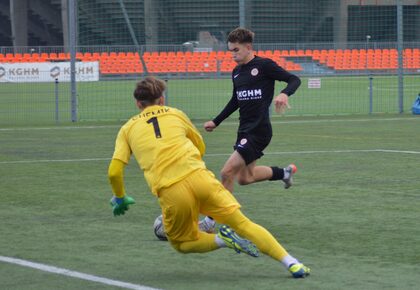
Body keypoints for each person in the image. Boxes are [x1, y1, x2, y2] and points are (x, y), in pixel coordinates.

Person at [107, 76, 310, 278]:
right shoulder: (176, 114)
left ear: (137, 103)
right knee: (244, 224)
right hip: (201, 178)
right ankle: (292, 263)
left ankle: (221, 240)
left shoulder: (127, 129)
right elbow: (200, 146)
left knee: (181, 244)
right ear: (161, 99)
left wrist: (120, 197)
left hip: (172, 190)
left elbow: (114, 172)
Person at [204, 27, 301, 193]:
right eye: (230, 51)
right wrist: (216, 121)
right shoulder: (236, 72)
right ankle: (284, 173)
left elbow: (294, 79)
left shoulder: (264, 65)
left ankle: (214, 218)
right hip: (244, 130)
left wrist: (285, 94)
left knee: (226, 173)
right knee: (245, 178)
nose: (233, 54)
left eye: (236, 50)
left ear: (248, 47)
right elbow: (236, 100)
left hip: (258, 130)